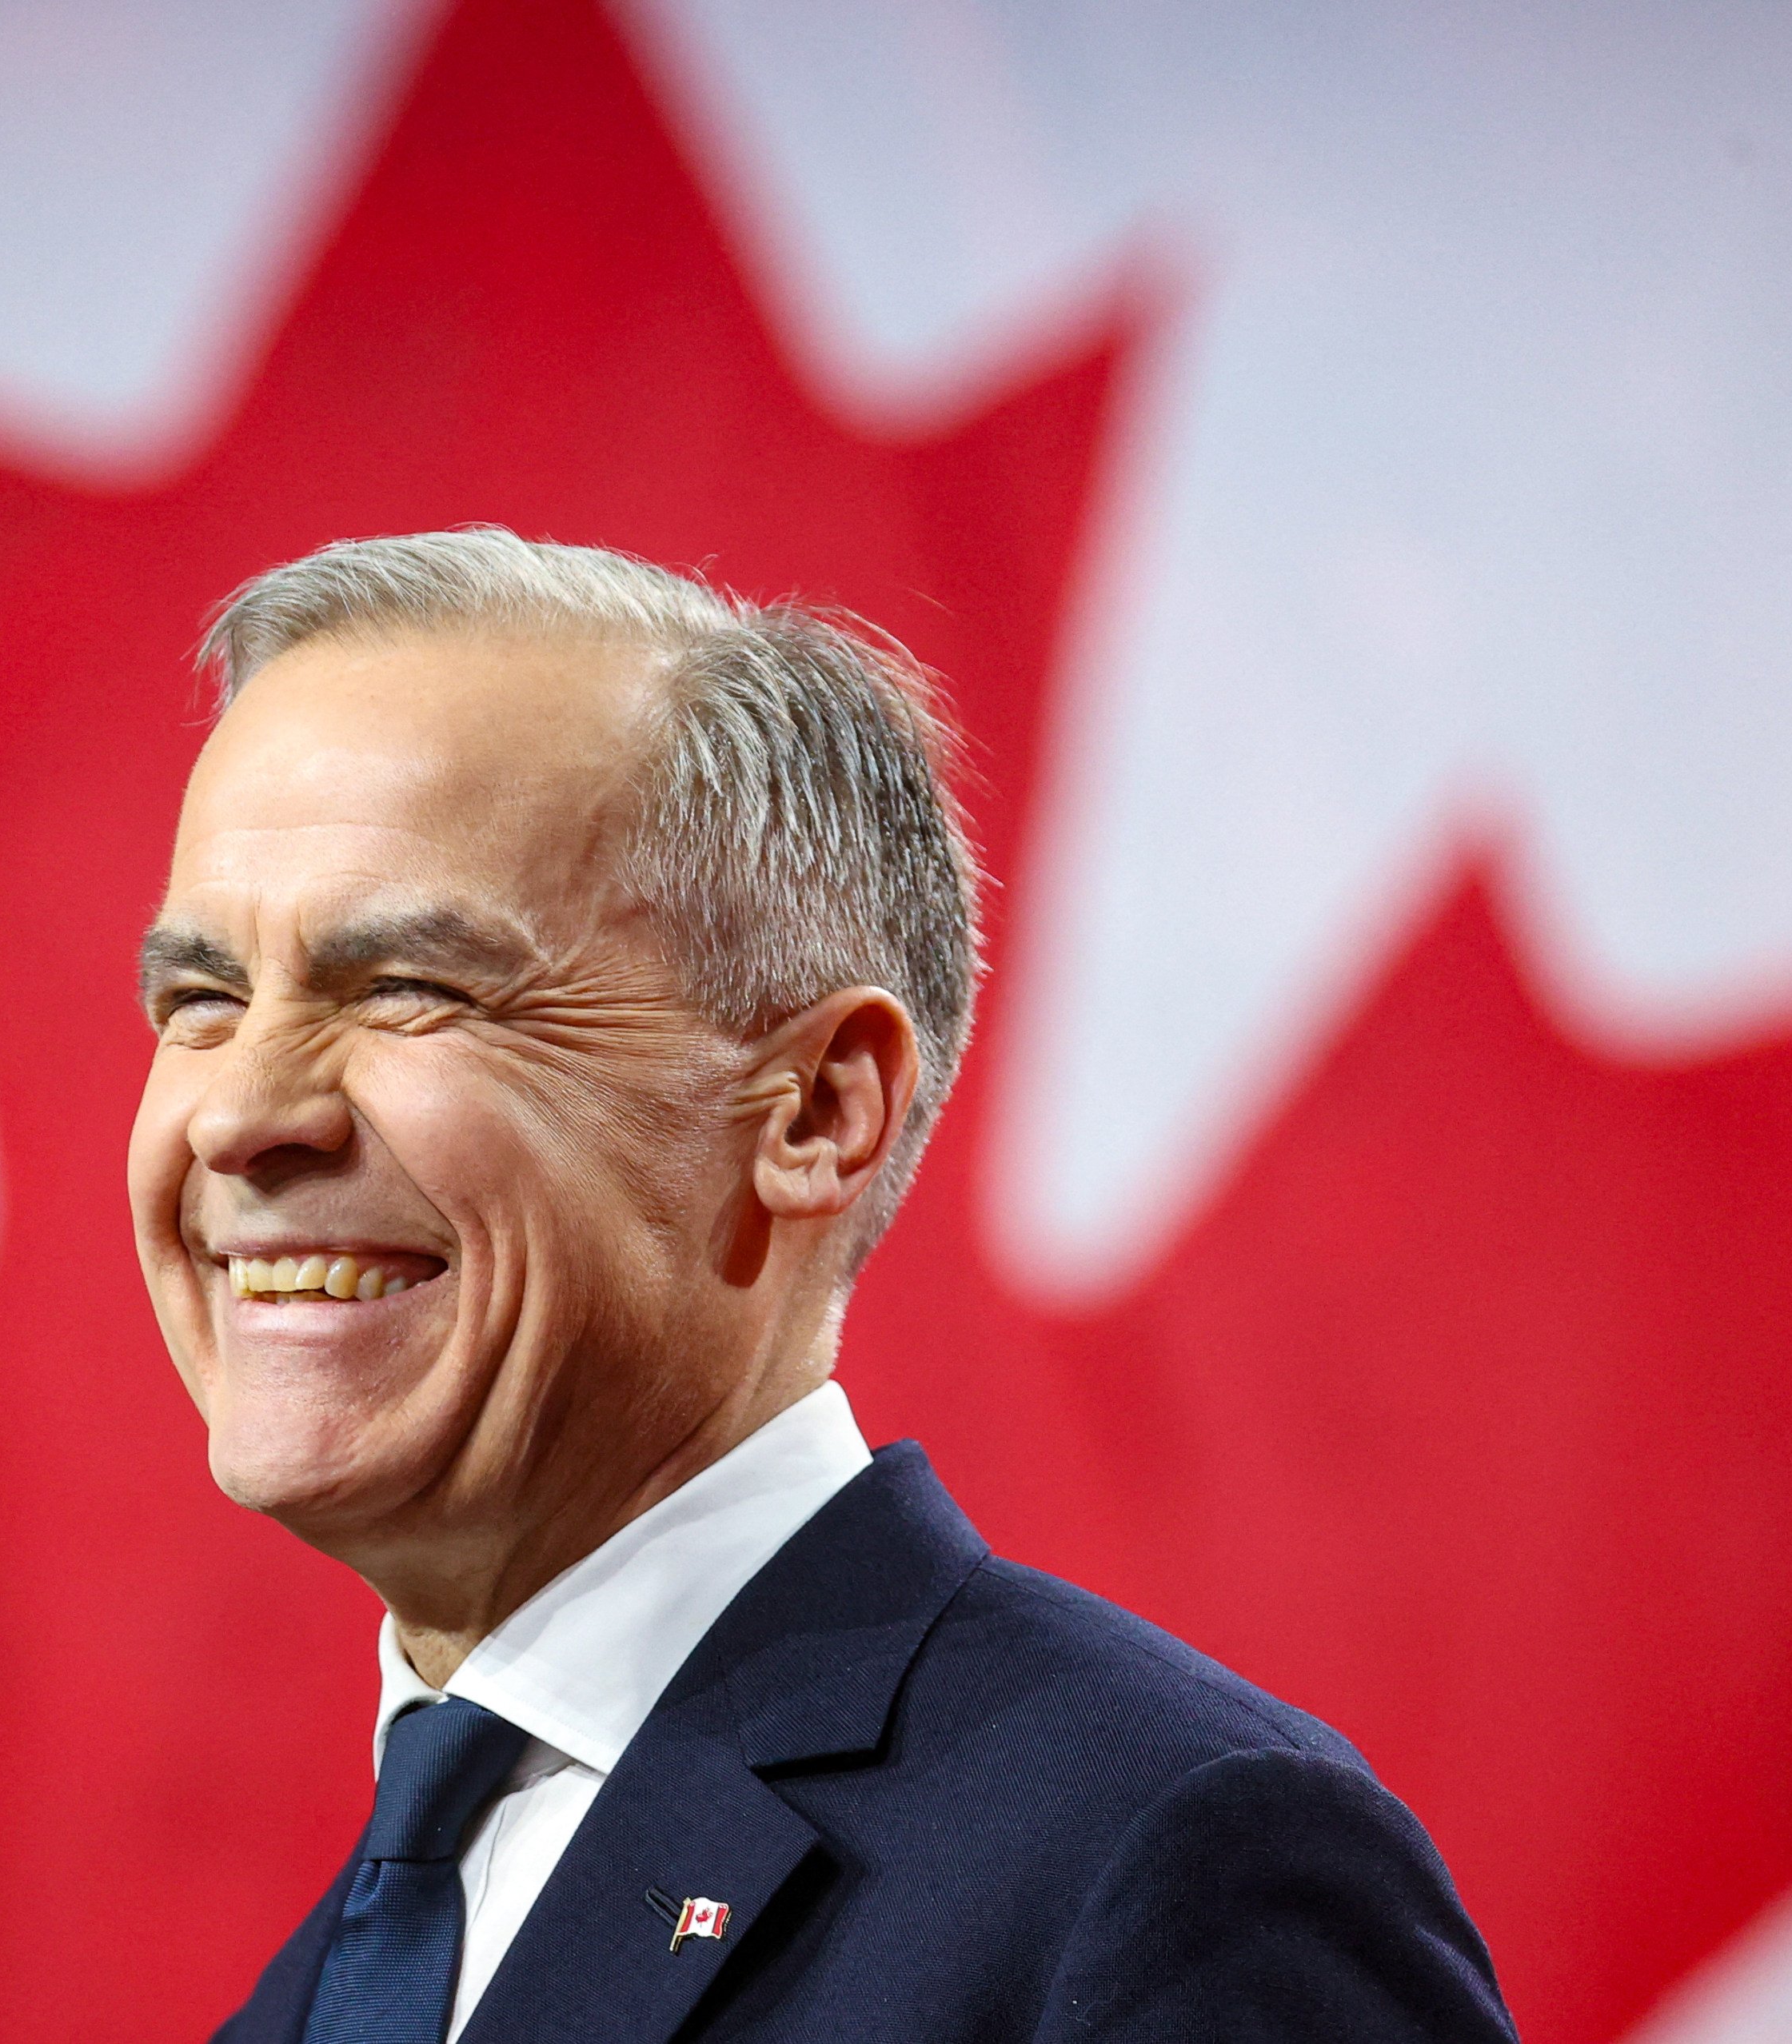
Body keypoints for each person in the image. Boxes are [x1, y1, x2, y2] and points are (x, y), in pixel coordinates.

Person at [127, 529, 1517, 2043]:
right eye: (201, 1000)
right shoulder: (310, 1994)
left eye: (408, 989)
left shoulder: (1170, 1863)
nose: (237, 1111)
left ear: (812, 1113)